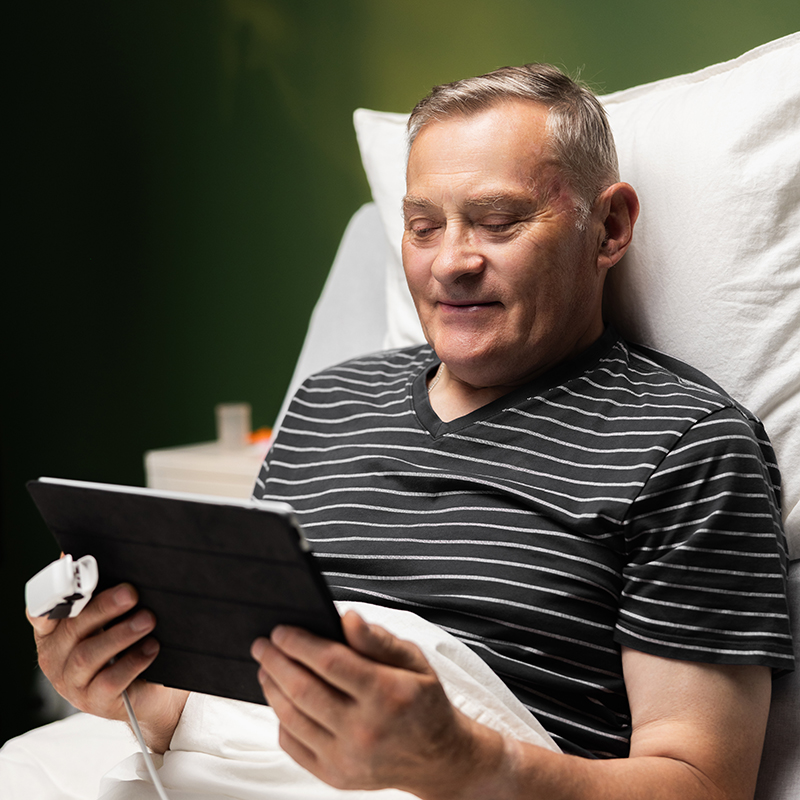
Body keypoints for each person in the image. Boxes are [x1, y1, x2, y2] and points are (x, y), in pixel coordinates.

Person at [29, 64, 793, 800]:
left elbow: (703, 784)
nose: (451, 264)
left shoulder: (689, 445)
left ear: (611, 227)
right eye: (423, 227)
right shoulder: (328, 404)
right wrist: (119, 685)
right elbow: (239, 706)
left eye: (497, 223)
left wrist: (461, 764)